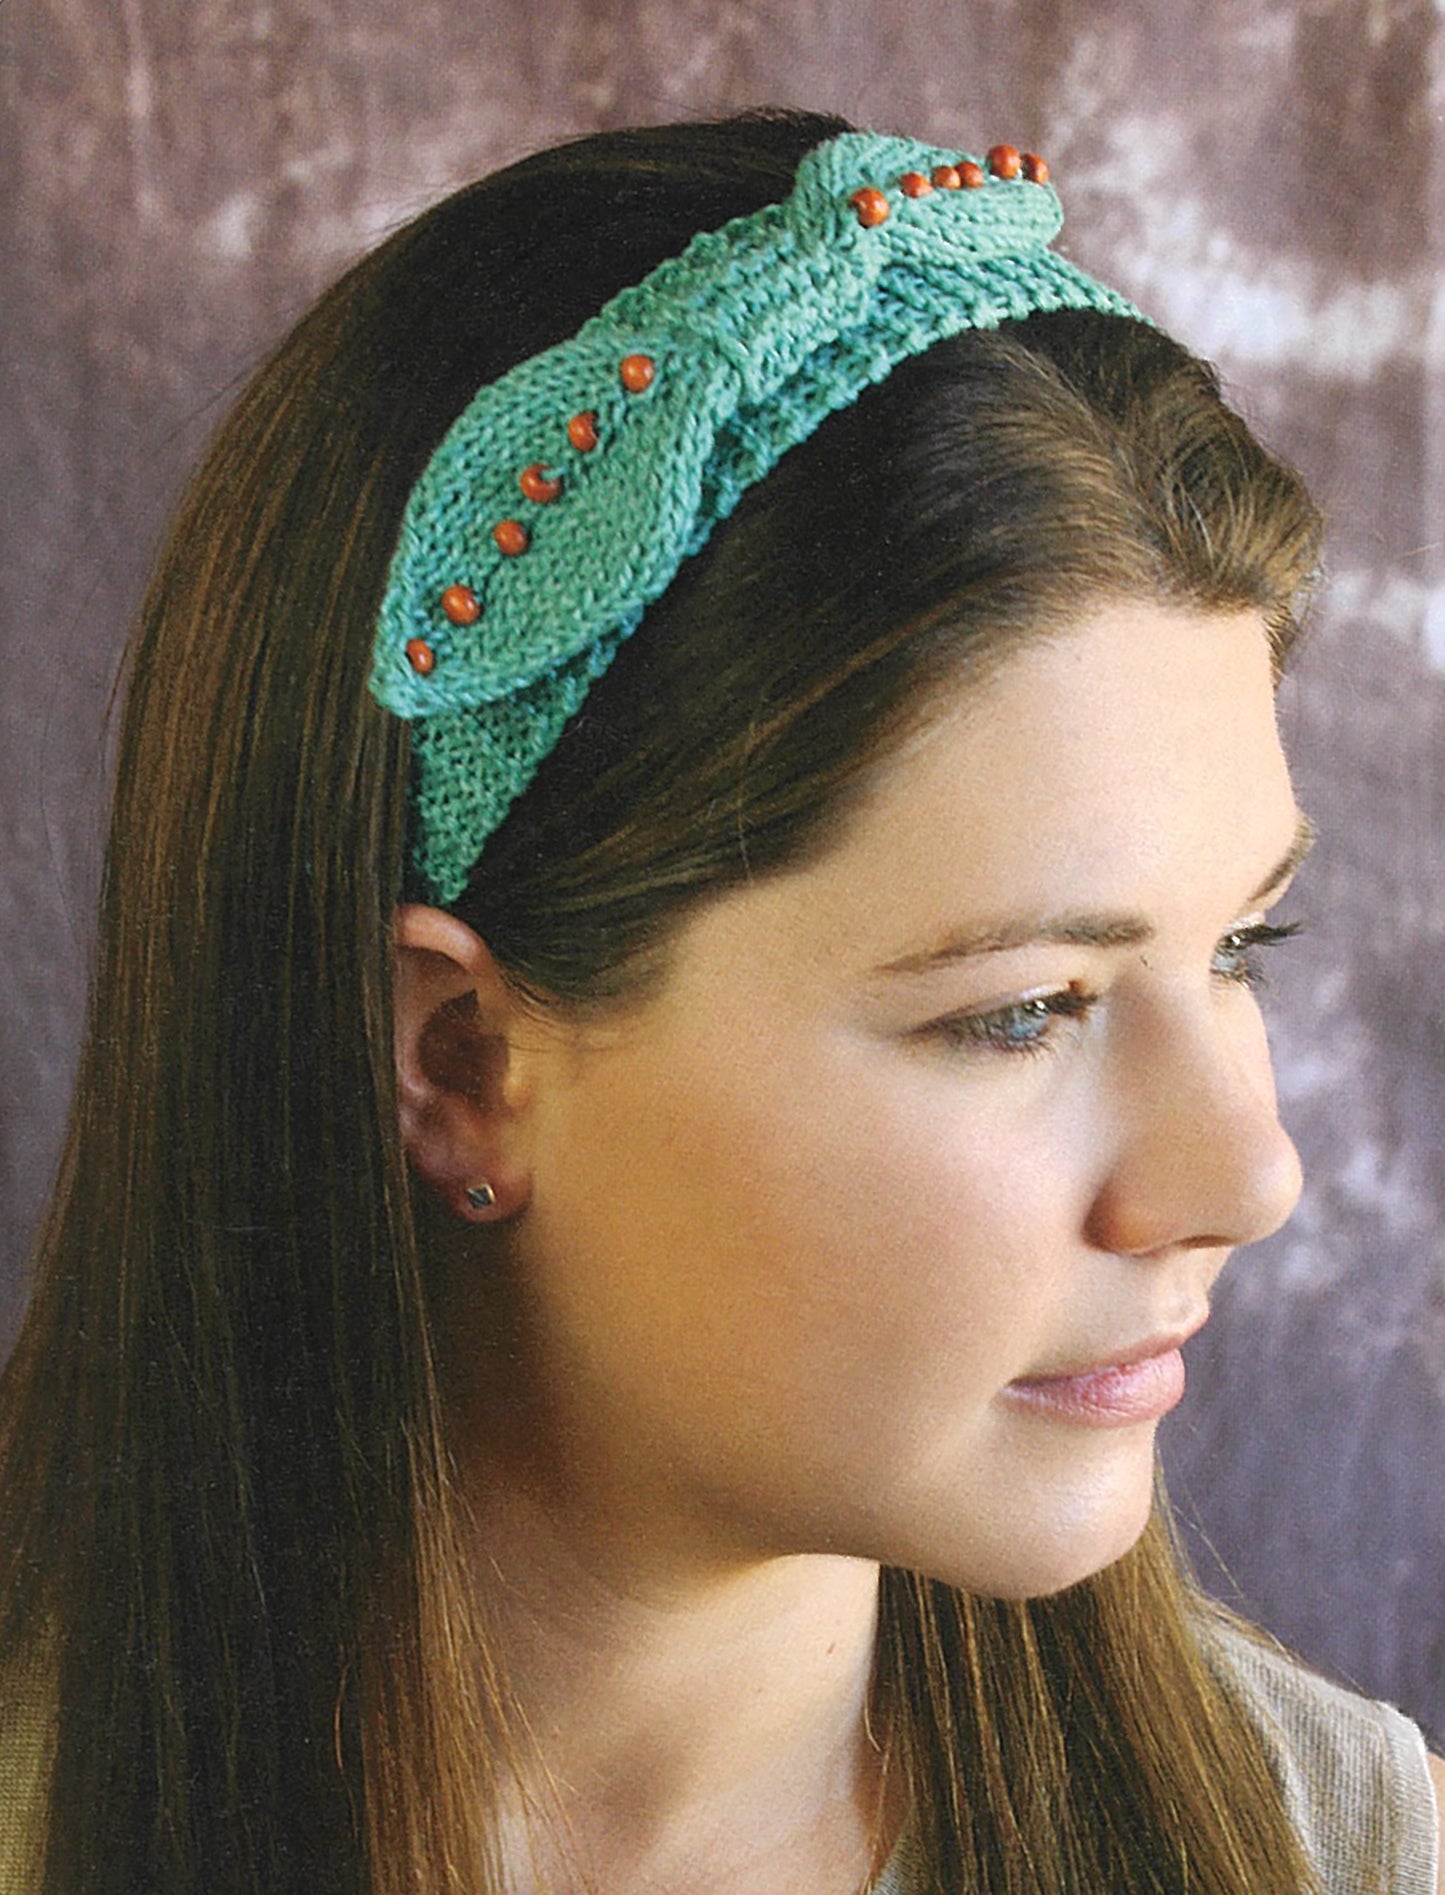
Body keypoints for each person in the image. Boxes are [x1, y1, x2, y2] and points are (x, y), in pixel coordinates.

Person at [0, 106, 1439, 1895]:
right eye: (1023, 1010)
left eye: (1235, 951)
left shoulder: (1342, 1853)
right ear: (459, 1059)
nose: (1245, 1176)